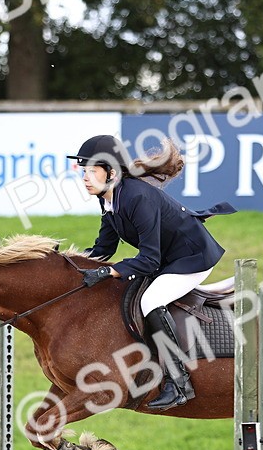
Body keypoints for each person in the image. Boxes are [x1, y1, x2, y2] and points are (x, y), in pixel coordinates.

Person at [70, 135, 236, 411]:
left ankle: (179, 383)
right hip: (168, 259)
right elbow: (104, 248)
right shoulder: (110, 198)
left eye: (91, 171)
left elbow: (148, 260)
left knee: (150, 301)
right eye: (84, 171)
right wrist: (70, 265)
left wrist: (109, 273)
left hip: (192, 259)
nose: (85, 178)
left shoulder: (137, 198)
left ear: (110, 172)